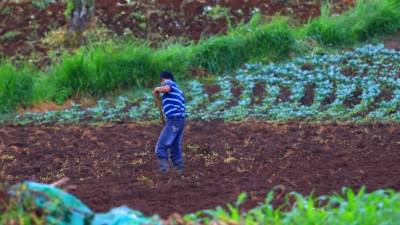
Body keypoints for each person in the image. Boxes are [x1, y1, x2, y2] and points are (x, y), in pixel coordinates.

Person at [152, 71, 186, 174]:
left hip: (174, 120)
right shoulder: (178, 90)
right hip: (180, 121)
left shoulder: (169, 83)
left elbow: (166, 88)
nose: (162, 83)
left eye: (161, 81)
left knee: (160, 147)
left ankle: (164, 173)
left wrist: (157, 89)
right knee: (175, 147)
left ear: (164, 79)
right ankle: (179, 171)